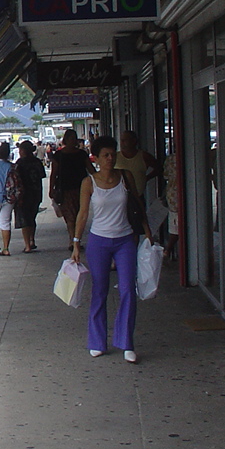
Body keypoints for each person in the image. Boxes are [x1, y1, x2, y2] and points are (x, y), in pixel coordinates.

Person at [71, 135, 152, 363]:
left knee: (127, 289)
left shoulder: (125, 177)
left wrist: (147, 230)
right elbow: (83, 213)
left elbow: (137, 203)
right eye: (105, 155)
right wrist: (76, 242)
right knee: (100, 290)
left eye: (112, 154)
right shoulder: (89, 183)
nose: (110, 158)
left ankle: (126, 342)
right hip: (99, 241)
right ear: (95, 158)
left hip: (125, 239)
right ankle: (97, 341)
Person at [49, 128, 92, 246]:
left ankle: (76, 238)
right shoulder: (59, 155)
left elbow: (90, 169)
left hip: (82, 188)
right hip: (65, 189)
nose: (73, 141)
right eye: (70, 138)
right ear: (66, 140)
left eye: (74, 138)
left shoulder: (82, 154)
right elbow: (54, 173)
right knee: (69, 215)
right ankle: (72, 239)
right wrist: (51, 188)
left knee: (80, 214)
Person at [13, 139, 46, 253]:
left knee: (24, 219)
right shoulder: (37, 161)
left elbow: (16, 179)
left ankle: (27, 244)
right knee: (32, 217)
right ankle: (32, 240)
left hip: (24, 194)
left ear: (22, 151)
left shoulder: (20, 163)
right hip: (36, 193)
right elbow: (42, 175)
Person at [116, 131, 159, 203]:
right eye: (121, 140)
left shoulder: (143, 156)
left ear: (133, 141)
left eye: (125, 140)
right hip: (118, 198)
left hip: (137, 198)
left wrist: (147, 178)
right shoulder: (115, 157)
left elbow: (159, 168)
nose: (122, 143)